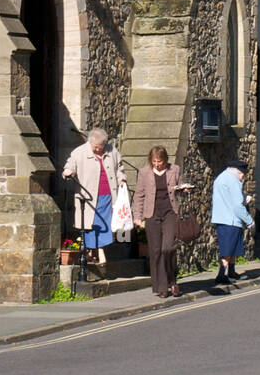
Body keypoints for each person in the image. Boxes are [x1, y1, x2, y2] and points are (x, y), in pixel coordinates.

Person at [133, 146, 190, 299]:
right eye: (154, 161)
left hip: (170, 213)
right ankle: (162, 287)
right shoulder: (144, 172)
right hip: (152, 215)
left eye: (160, 161)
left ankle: (172, 280)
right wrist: (137, 216)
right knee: (156, 251)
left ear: (166, 160)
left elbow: (181, 186)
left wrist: (183, 190)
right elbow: (139, 195)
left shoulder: (175, 169)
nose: (157, 164)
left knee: (168, 248)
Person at [62, 128, 123, 266]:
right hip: (88, 198)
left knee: (104, 224)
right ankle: (99, 253)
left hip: (107, 195)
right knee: (91, 224)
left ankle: (95, 252)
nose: (97, 149)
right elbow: (70, 164)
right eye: (95, 147)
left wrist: (122, 179)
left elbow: (119, 168)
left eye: (100, 147)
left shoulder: (112, 151)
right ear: (90, 143)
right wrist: (68, 171)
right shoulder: (80, 152)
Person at [210, 159, 253, 284]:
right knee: (228, 249)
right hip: (231, 219)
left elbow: (227, 198)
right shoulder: (234, 181)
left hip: (221, 217)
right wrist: (250, 221)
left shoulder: (221, 177)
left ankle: (232, 272)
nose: (242, 178)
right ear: (240, 173)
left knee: (232, 248)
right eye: (243, 176)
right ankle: (221, 275)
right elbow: (237, 206)